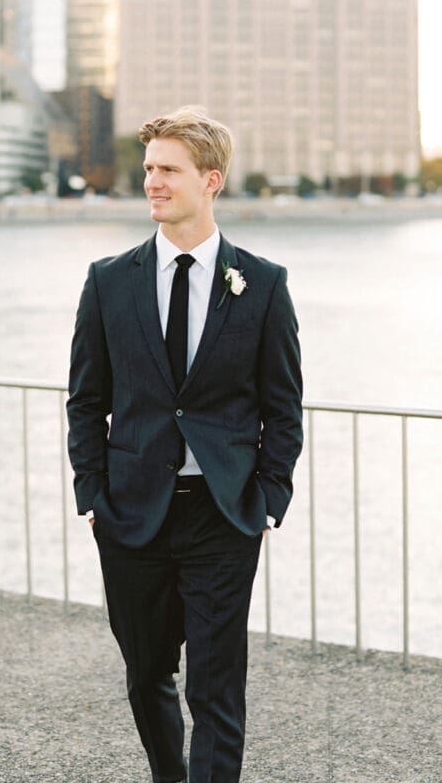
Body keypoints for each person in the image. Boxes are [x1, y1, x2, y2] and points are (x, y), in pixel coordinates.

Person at [67, 108, 303, 783]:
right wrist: (91, 493)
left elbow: (282, 409)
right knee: (146, 675)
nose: (152, 183)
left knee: (216, 688)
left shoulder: (262, 285)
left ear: (210, 180)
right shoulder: (108, 282)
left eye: (167, 170)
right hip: (131, 513)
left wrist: (267, 499)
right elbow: (87, 400)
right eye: (148, 170)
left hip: (223, 515)